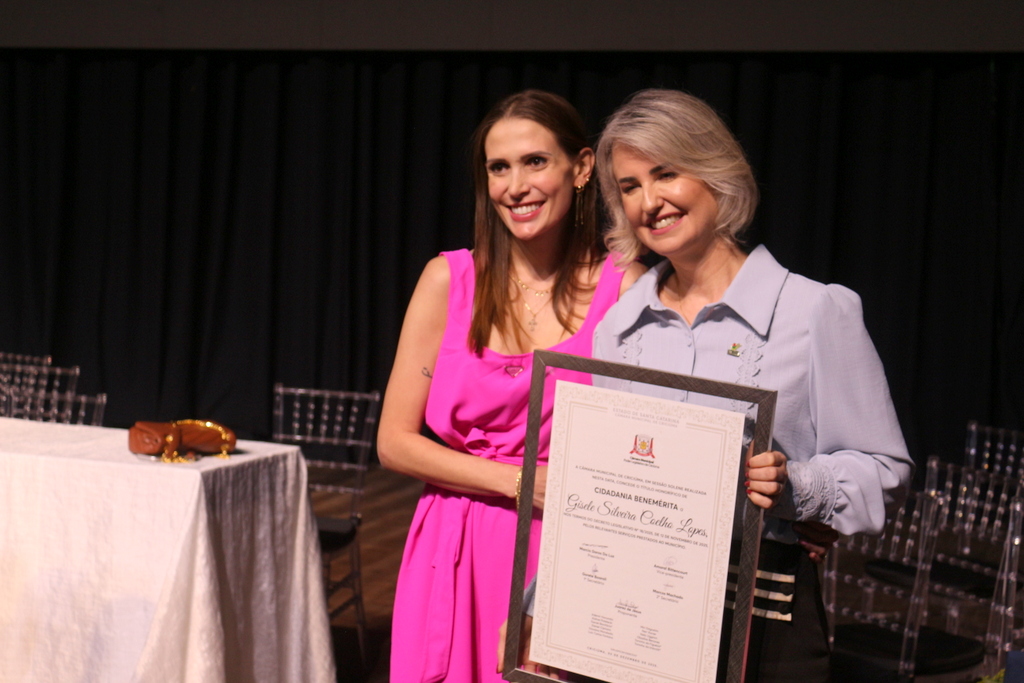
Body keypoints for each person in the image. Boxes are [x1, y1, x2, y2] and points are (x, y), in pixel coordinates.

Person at [587, 89, 914, 681]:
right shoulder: (619, 329)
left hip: (766, 617)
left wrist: (795, 486)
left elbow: (884, 470)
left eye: (666, 173)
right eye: (629, 186)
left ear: (714, 171)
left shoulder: (813, 310)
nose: (650, 202)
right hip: (637, 615)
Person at [378, 89, 644, 683]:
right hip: (450, 544)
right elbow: (393, 443)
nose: (515, 185)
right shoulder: (448, 279)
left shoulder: (626, 288)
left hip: (561, 548)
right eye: (499, 167)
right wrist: (519, 482)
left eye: (535, 162)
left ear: (580, 168)